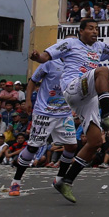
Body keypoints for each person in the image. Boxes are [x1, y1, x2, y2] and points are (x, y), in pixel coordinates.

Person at [29, 18, 109, 203]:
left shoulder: (100, 47)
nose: (95, 31)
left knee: (95, 142)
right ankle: (108, 114)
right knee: (102, 71)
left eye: (97, 29)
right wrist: (37, 57)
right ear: (81, 31)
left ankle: (66, 181)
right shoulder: (69, 43)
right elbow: (46, 56)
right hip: (72, 87)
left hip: (88, 96)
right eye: (91, 28)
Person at [8, 57, 78, 197]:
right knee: (33, 147)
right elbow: (33, 81)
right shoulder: (49, 63)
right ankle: (16, 181)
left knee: (72, 146)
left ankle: (59, 180)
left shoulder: (77, 65)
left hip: (64, 114)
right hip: (44, 112)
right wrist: (28, 100)